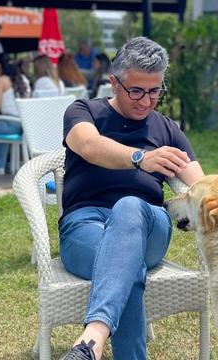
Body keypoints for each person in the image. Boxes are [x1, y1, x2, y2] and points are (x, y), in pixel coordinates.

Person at [58, 37, 204, 360]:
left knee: (130, 206)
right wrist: (141, 158)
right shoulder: (84, 111)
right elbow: (88, 146)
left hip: (149, 226)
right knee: (127, 264)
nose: (146, 101)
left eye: (155, 91)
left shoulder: (167, 130)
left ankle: (92, 339)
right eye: (136, 91)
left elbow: (201, 186)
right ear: (114, 82)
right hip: (84, 225)